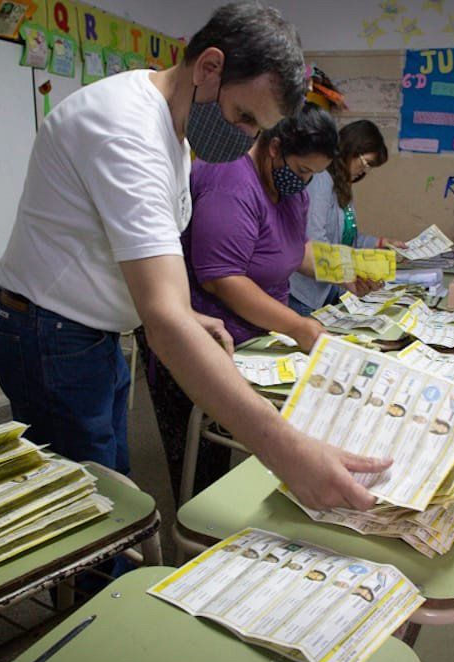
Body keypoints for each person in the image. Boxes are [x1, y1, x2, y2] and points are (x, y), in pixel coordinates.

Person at [0, 2, 390, 511]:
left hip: (90, 330)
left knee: (111, 484)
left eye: (255, 128)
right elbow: (165, 323)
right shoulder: (127, 131)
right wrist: (288, 452)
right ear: (208, 68)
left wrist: (189, 312)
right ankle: (103, 589)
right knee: (88, 505)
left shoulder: (172, 130)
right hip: (51, 331)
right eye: (244, 116)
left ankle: (108, 577)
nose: (244, 136)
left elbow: (142, 268)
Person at [137, 104, 337, 499]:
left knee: (252, 438)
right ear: (275, 147)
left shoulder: (290, 187)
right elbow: (222, 279)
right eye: (301, 171)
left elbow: (293, 251)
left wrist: (343, 270)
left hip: (254, 335)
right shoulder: (230, 178)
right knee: (201, 467)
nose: (305, 182)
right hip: (201, 333)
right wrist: (297, 325)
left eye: (314, 175)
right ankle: (198, 532)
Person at [288, 120, 403, 316]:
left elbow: (348, 238)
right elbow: (315, 242)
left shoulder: (342, 186)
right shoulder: (321, 179)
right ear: (351, 150)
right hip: (303, 294)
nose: (364, 171)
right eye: (365, 163)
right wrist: (350, 270)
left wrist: (381, 243)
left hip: (326, 289)